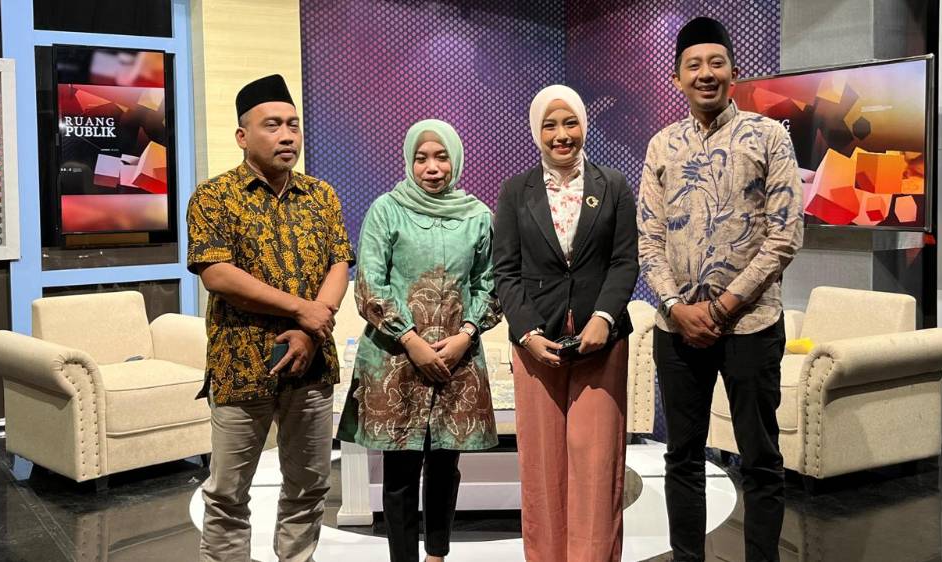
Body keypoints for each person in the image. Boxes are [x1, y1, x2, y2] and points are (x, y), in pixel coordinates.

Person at [637, 17, 804, 562]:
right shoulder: (662, 145)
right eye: (694, 65)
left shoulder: (769, 136)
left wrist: (726, 305)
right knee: (682, 457)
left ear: (733, 72)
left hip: (752, 325)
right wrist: (676, 306)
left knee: (761, 459)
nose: (705, 74)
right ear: (677, 78)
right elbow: (649, 239)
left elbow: (785, 234)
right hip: (676, 328)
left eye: (716, 63)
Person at [187, 74, 355, 562]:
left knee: (309, 485)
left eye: (293, 125)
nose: (287, 136)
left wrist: (309, 328)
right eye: (273, 125)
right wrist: (302, 309)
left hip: (311, 362)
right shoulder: (214, 196)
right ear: (243, 136)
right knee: (227, 493)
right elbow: (218, 273)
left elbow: (339, 263)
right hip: (241, 365)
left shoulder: (320, 194)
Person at [337, 119, 501, 562]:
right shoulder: (387, 210)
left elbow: (491, 284)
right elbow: (370, 285)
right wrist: (410, 340)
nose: (432, 167)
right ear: (409, 161)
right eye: (422, 158)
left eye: (441, 157)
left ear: (456, 160)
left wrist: (466, 334)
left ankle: (437, 555)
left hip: (456, 361)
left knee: (446, 467)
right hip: (397, 359)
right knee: (401, 471)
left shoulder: (478, 215)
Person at [492, 84, 639, 562]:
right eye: (550, 125)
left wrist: (603, 318)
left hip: (602, 343)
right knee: (542, 467)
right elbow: (505, 271)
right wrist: (527, 334)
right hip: (537, 346)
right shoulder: (515, 191)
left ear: (584, 126)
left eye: (570, 122)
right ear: (536, 132)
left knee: (598, 466)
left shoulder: (613, 185)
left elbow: (624, 261)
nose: (561, 135)